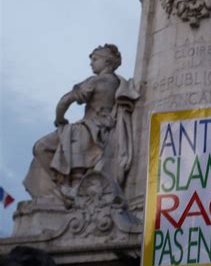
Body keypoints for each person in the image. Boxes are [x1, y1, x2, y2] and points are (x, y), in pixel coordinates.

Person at [24, 44, 139, 201]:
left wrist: (60, 120)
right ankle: (67, 187)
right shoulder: (118, 82)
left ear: (107, 62)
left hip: (87, 129)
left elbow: (65, 101)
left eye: (95, 59)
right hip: (104, 131)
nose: (91, 63)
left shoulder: (96, 81)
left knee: (40, 147)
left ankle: (62, 186)